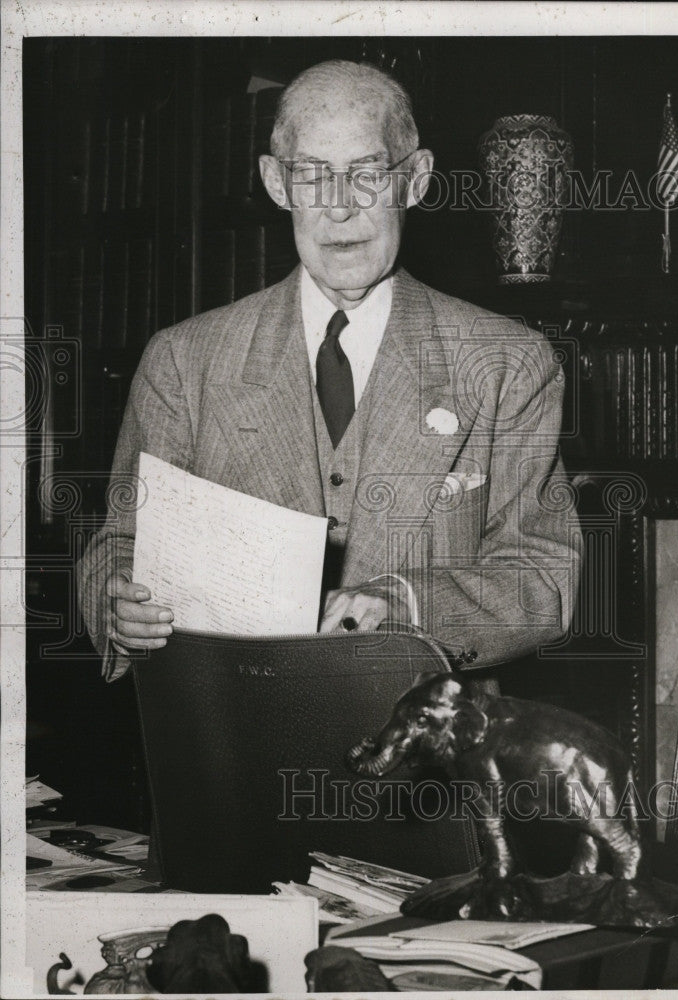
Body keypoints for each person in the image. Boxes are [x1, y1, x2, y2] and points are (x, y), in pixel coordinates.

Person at [77, 59, 581, 682]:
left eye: (367, 174)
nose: (339, 209)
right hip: (236, 745)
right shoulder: (184, 362)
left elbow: (543, 575)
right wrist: (118, 604)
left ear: (416, 180)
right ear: (275, 183)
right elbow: (120, 543)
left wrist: (410, 603)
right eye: (312, 176)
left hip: (430, 757)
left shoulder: (508, 364)